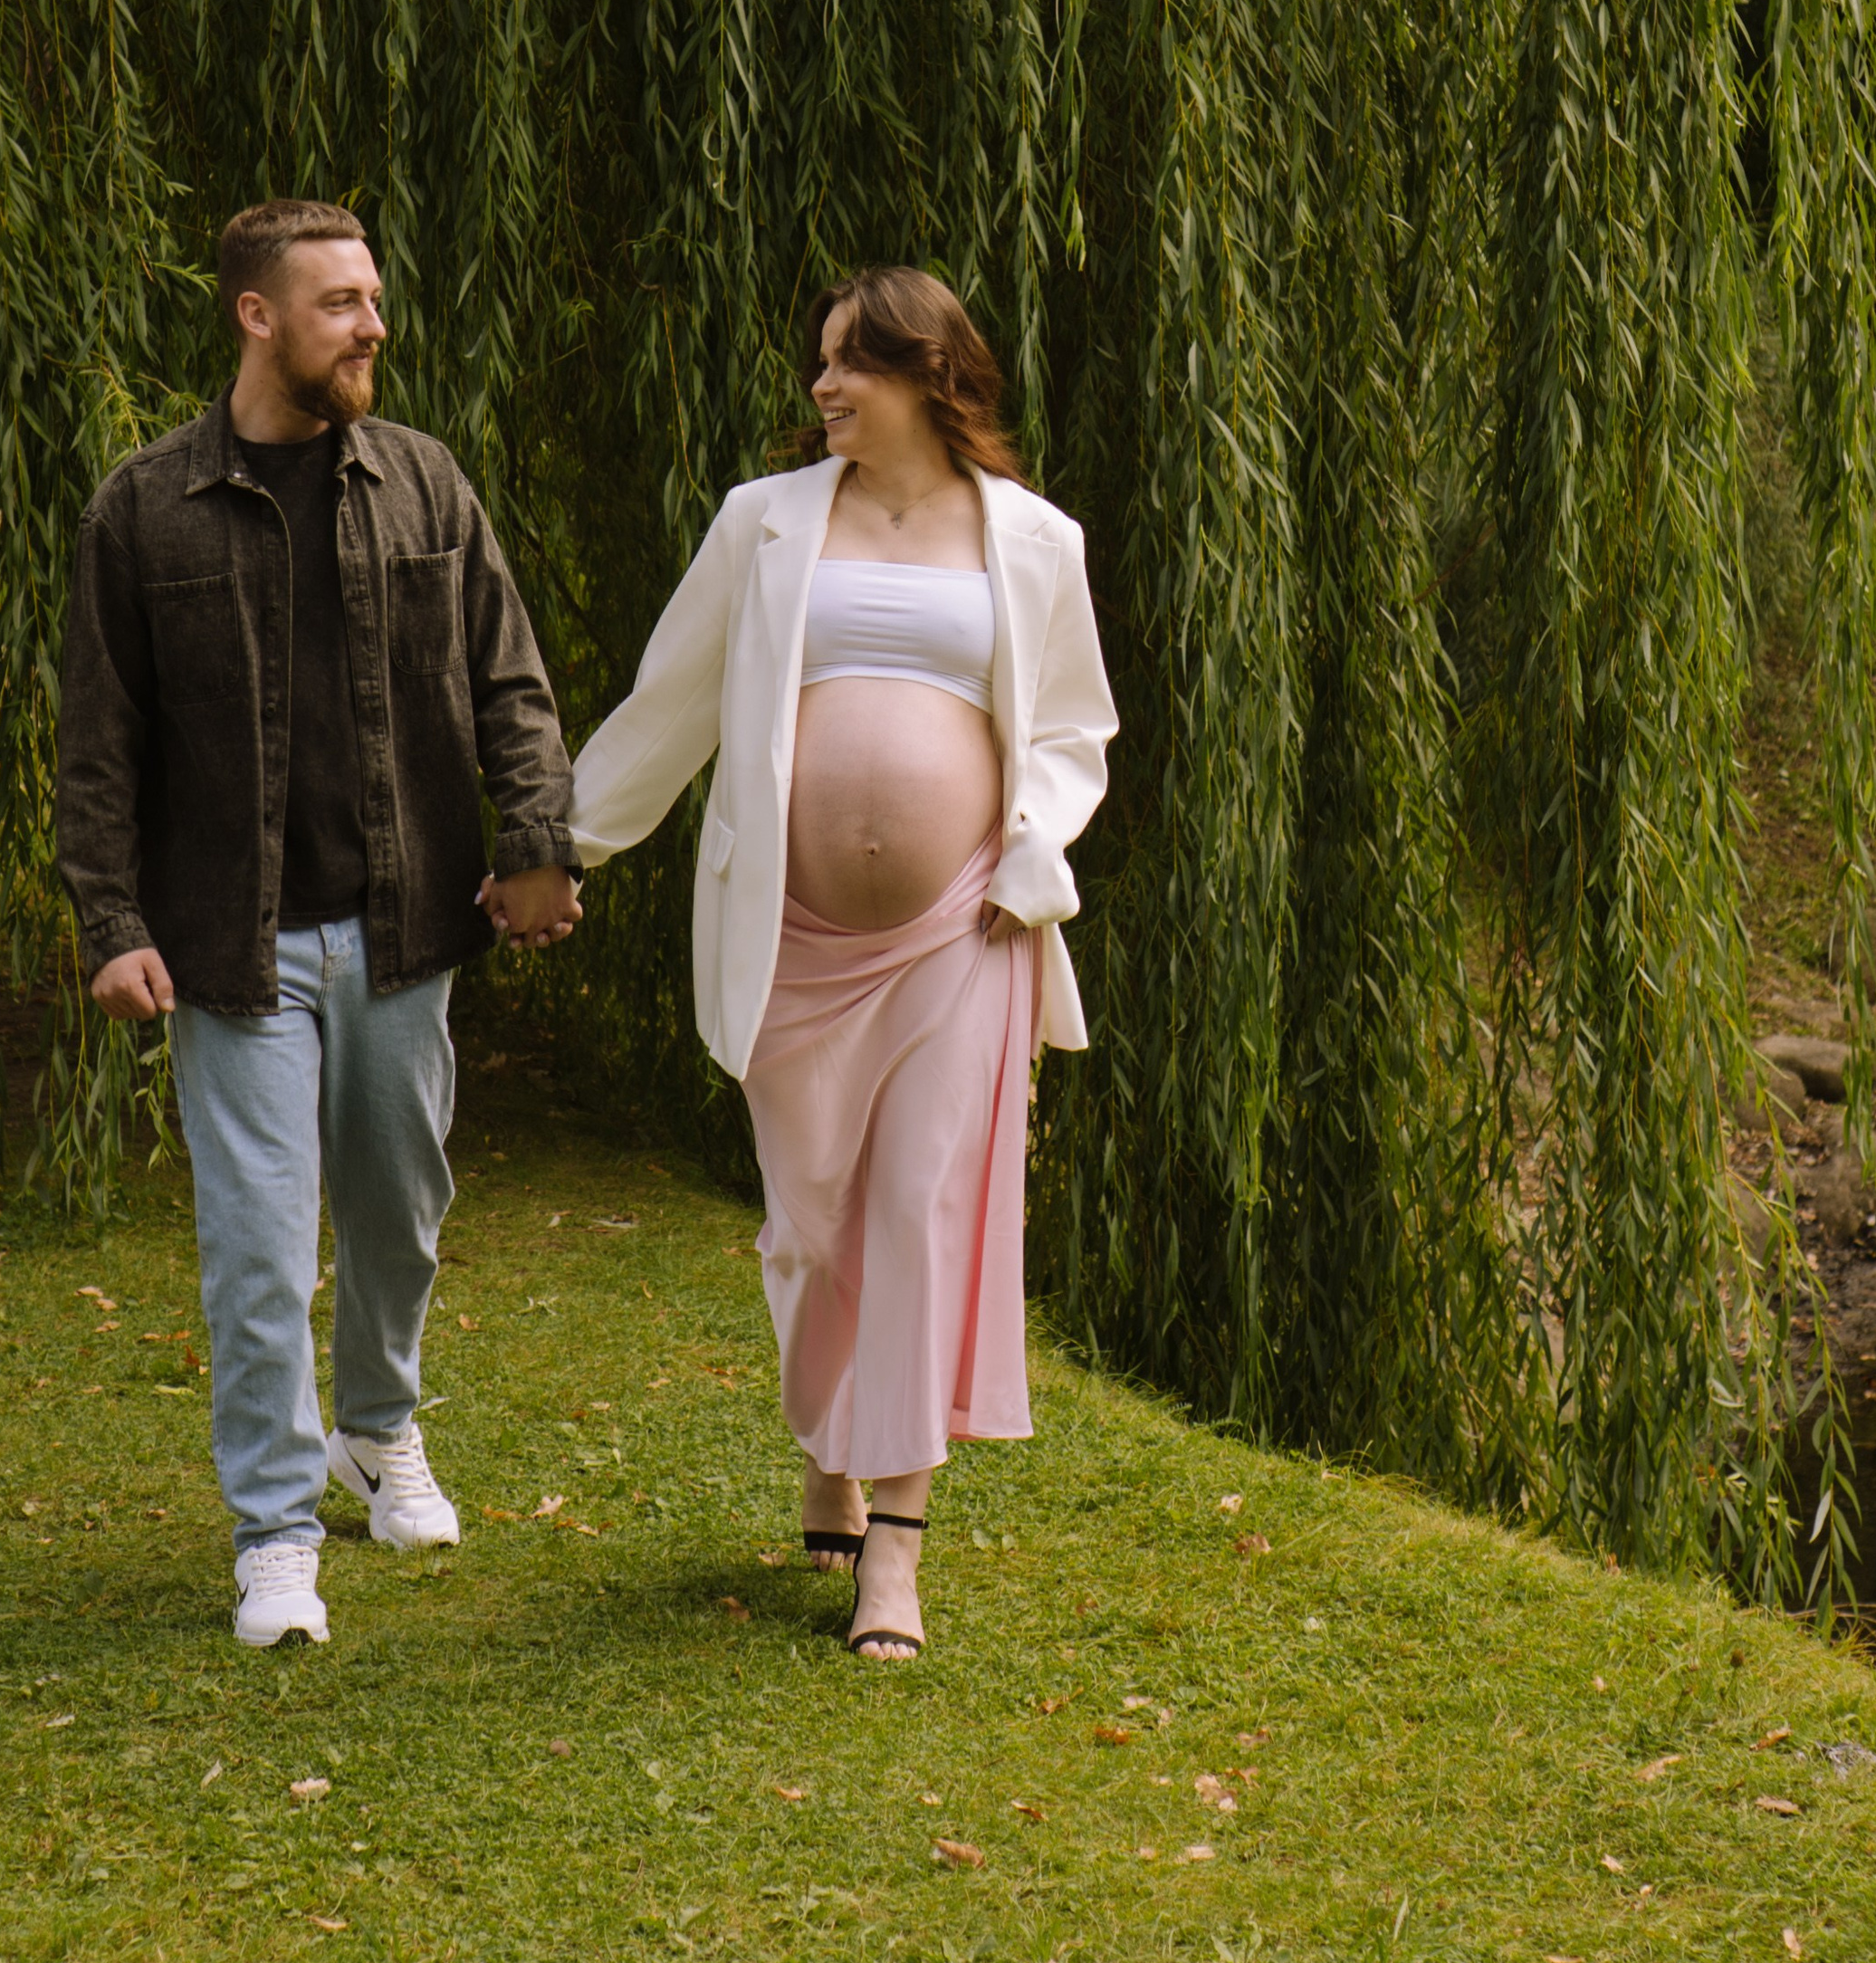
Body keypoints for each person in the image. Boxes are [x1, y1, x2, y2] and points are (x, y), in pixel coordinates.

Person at [56, 200, 584, 1648]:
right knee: (260, 1250)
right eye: (342, 302)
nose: (373, 325)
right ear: (256, 315)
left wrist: (537, 843)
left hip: (406, 929)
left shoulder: (423, 483)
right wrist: (111, 920)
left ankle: (376, 1426)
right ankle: (277, 1532)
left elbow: (511, 686)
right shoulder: (142, 510)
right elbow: (99, 743)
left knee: (399, 1221)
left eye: (373, 296)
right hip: (234, 948)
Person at [570, 267, 1115, 1658]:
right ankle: (829, 1442)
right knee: (810, 1231)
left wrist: (1035, 846)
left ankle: (897, 1553)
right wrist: (563, 845)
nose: (822, 387)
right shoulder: (762, 523)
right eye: (819, 363)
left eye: (850, 365)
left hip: (962, 932)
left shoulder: (1033, 539)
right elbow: (673, 701)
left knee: (922, 1209)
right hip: (796, 938)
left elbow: (1071, 732)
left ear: (931, 375)